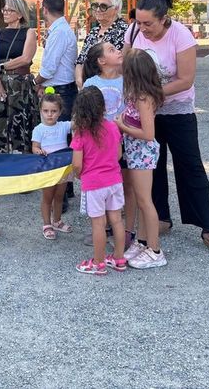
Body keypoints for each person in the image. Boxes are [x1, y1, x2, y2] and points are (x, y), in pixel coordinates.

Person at [125, 0, 209, 259]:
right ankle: (160, 218)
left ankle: (208, 228)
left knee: (190, 166)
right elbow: (127, 64)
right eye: (139, 23)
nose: (143, 29)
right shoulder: (135, 30)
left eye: (148, 24)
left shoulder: (181, 35)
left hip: (177, 110)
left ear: (163, 19)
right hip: (146, 112)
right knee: (153, 167)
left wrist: (150, 93)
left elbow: (186, 80)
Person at [117, 50, 167, 269]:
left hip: (142, 153)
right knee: (139, 198)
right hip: (134, 151)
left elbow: (148, 134)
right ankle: (143, 241)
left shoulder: (144, 98)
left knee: (145, 201)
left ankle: (155, 251)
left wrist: (122, 126)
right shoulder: (134, 94)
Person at [71, 86, 126, 275]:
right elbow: (118, 154)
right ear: (102, 106)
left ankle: (98, 262)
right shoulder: (112, 127)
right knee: (117, 221)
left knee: (98, 224)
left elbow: (77, 163)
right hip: (115, 181)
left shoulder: (81, 133)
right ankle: (119, 258)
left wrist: (78, 174)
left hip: (94, 184)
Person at [0, 0, 39, 154]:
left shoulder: (29, 32)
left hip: (21, 85)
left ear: (19, 14)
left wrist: (2, 66)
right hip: (0, 85)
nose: (5, 12)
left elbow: (26, 58)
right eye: (4, 9)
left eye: (9, 10)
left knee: (22, 126)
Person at [31, 91, 72, 240]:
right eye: (46, 111)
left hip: (62, 169)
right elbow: (34, 147)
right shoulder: (39, 129)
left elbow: (78, 123)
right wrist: (38, 151)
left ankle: (57, 221)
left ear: (60, 112)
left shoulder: (63, 126)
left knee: (60, 196)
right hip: (48, 169)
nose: (50, 115)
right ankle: (47, 224)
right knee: (47, 197)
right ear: (41, 111)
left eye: (54, 111)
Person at [35, 0, 78, 118]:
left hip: (62, 91)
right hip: (60, 88)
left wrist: (34, 83)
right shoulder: (61, 29)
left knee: (59, 135)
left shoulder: (59, 32)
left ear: (45, 9)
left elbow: (48, 69)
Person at [75, 0, 129, 88]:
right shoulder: (93, 32)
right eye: (96, 6)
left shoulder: (124, 31)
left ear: (116, 9)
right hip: (88, 88)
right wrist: (80, 81)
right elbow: (80, 60)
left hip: (112, 88)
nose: (98, 10)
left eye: (103, 6)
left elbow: (122, 64)